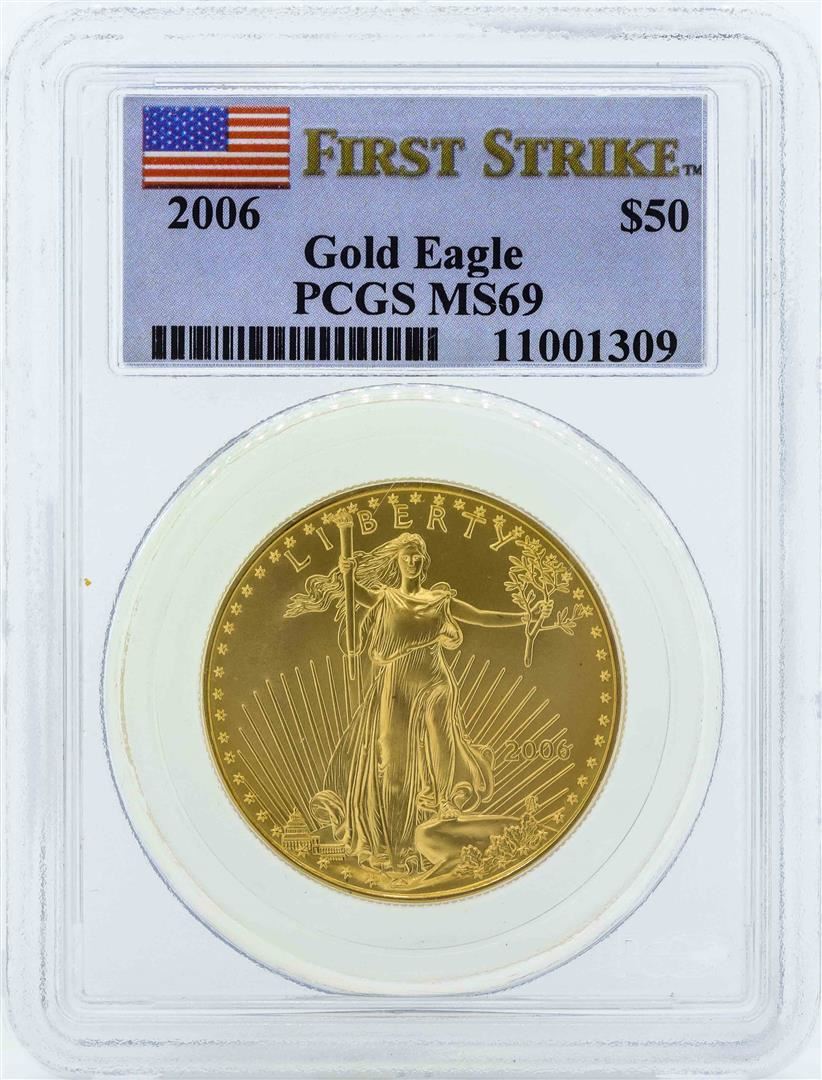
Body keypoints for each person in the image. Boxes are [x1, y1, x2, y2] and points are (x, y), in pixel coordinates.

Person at [286, 533, 527, 871]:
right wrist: (346, 572)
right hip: (395, 683)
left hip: (434, 679)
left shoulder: (440, 601)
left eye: (417, 556)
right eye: (406, 556)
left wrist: (525, 618)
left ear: (424, 562)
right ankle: (389, 840)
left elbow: (483, 616)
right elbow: (356, 593)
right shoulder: (385, 598)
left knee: (439, 734)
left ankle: (444, 801)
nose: (412, 561)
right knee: (390, 759)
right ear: (397, 561)